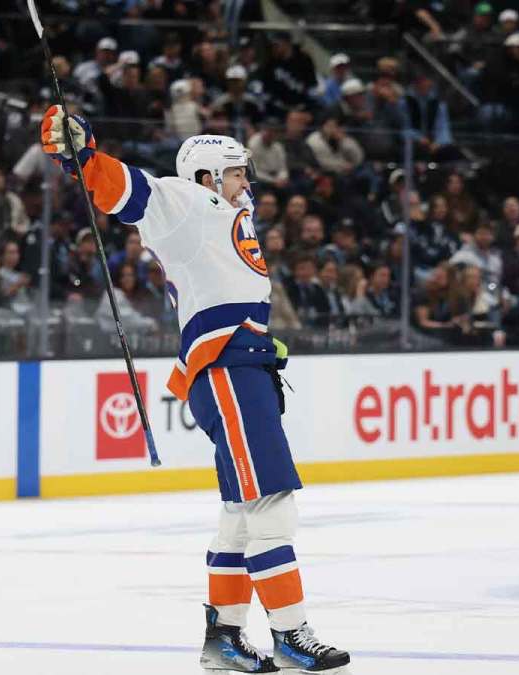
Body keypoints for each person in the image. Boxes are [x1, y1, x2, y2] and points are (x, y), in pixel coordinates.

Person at [40, 106, 349, 673]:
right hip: (228, 374)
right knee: (270, 502)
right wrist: (80, 153)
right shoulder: (191, 203)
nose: (246, 183)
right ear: (207, 177)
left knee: (239, 511)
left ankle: (225, 639)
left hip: (241, 369)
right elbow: (133, 192)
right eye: (236, 172)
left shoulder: (228, 216)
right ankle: (289, 632)